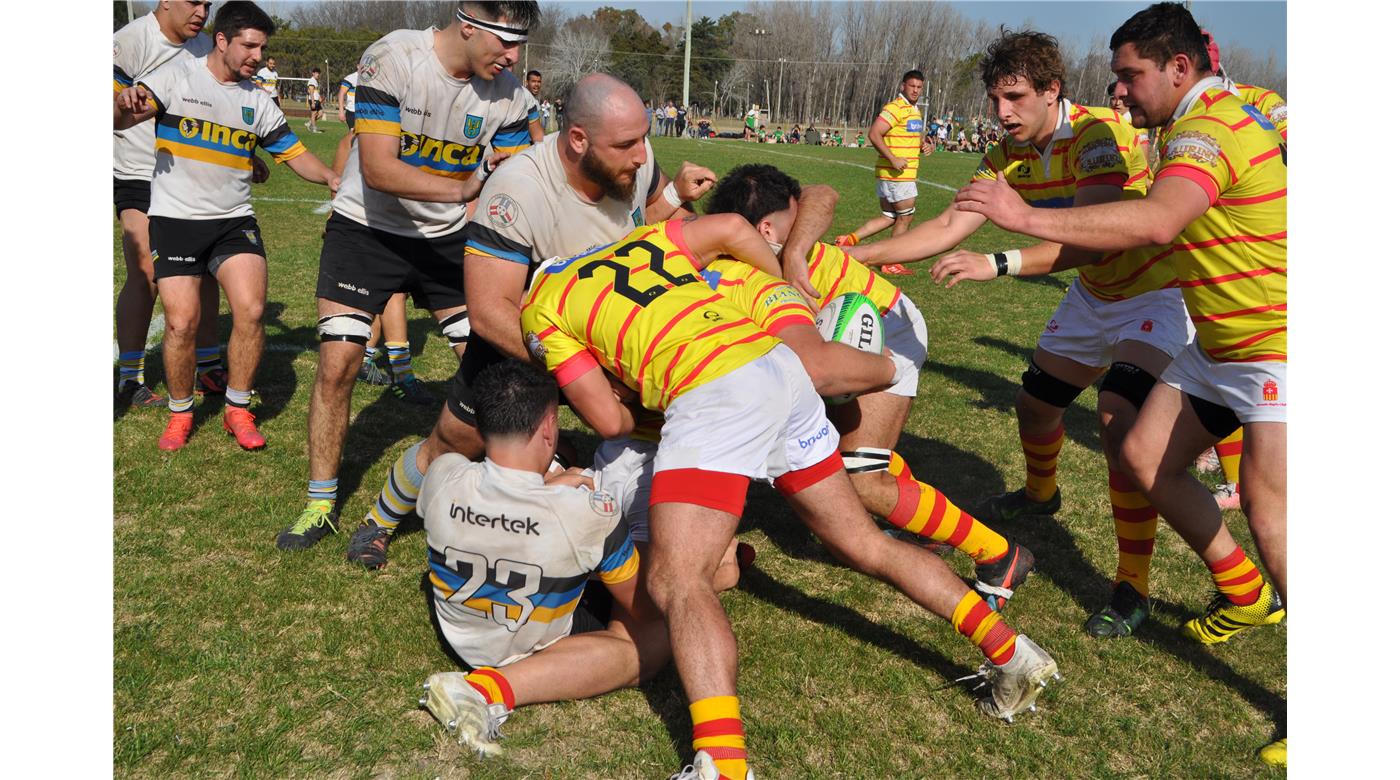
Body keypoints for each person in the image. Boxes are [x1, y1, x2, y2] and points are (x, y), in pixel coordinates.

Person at [522, 214, 1061, 780]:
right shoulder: (641, 243)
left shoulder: (541, 306)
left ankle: (724, 766)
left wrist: (645, 390)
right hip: (778, 370)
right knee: (863, 542)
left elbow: (608, 420)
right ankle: (1013, 653)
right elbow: (728, 226)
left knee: (676, 579)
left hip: (712, 391)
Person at [953, 3, 1286, 763]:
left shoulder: (1207, 129)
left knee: (1273, 516)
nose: (1122, 93)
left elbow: (1157, 222)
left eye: (1131, 76)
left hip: (1276, 345)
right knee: (1141, 456)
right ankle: (1246, 595)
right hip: (1223, 340)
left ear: (1180, 67)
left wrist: (1023, 219)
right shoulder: (1189, 123)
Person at [850, 29, 1185, 640]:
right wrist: (866, 257)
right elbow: (953, 221)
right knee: (1034, 408)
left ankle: (1132, 584)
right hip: (1093, 296)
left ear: (1051, 91)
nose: (1002, 114)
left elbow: (1089, 236)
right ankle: (1040, 493)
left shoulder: (1095, 136)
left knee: (1115, 419)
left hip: (1154, 293)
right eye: (994, 100)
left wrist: (996, 261)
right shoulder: (1006, 152)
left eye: (1016, 98)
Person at [344, 73, 721, 569]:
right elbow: (489, 310)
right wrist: (581, 369)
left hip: (613, 338)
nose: (641, 154)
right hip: (527, 342)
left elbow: (651, 213)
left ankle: (666, 547)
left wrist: (675, 200)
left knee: (668, 429)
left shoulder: (636, 162)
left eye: (644, 138)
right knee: (456, 442)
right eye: (626, 143)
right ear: (578, 140)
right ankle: (380, 519)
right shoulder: (518, 189)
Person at [276, 0, 543, 551]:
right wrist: (463, 190)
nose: (514, 57)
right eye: (506, 41)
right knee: (338, 362)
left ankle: (518, 484)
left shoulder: (512, 95)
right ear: (468, 25)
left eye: (521, 44)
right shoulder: (394, 57)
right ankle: (320, 503)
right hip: (365, 229)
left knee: (497, 361)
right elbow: (377, 167)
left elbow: (521, 178)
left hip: (446, 241)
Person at [709, 162, 1036, 611]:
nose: (804, 216)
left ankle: (998, 554)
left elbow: (822, 190)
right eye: (793, 212)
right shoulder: (738, 268)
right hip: (836, 340)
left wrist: (798, 249)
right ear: (766, 226)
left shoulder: (774, 252)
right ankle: (919, 516)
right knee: (848, 458)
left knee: (861, 477)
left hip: (887, 331)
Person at [113, 0, 339, 452]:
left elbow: (295, 155)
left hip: (234, 221)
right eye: (249, 45)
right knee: (180, 323)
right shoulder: (177, 75)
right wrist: (124, 104)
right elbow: (119, 119)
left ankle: (237, 409)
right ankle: (181, 413)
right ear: (222, 40)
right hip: (175, 220)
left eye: (262, 47)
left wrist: (332, 177)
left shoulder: (259, 99)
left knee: (252, 310)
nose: (257, 55)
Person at [416, 360, 670, 757]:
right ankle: (490, 688)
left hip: (463, 633)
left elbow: (499, 508)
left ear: (481, 427)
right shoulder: (586, 511)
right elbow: (642, 604)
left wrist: (549, 485)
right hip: (526, 639)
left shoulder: (443, 473)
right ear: (549, 427)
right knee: (657, 636)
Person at [113, 0, 231, 413]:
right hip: (138, 174)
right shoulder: (130, 42)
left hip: (191, 177)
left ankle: (209, 364)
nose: (202, 10)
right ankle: (130, 377)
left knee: (206, 269)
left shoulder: (202, 49)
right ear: (165, 1)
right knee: (146, 273)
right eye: (193, 1)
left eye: (208, 4)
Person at [836, 70, 933, 276]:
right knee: (905, 217)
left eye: (919, 87)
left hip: (893, 174)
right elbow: (874, 133)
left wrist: (923, 146)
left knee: (889, 216)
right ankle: (891, 262)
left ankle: (849, 239)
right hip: (897, 174)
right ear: (902, 86)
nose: (916, 90)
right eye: (912, 86)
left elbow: (910, 138)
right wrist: (893, 159)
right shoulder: (895, 108)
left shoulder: (914, 110)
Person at [304, 67, 323, 133]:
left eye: (319, 73)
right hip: (313, 100)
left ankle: (309, 123)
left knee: (320, 114)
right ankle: (314, 129)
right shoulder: (311, 80)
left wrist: (319, 97)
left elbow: (315, 91)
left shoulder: (315, 81)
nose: (318, 74)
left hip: (317, 100)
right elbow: (311, 92)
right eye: (317, 73)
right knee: (314, 114)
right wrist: (312, 102)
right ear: (313, 73)